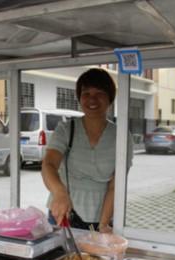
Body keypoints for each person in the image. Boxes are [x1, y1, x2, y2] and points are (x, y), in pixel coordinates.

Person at [41, 68, 133, 233]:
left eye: (99, 93)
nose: (92, 99)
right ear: (79, 97)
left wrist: (103, 224)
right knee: (61, 258)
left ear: (110, 98)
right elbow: (49, 164)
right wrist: (59, 193)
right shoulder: (66, 129)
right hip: (63, 214)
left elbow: (115, 186)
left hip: (103, 216)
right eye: (86, 93)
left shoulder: (122, 136)